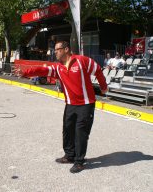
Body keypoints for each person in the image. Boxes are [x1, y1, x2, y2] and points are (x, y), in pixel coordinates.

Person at [20, 41, 108, 173]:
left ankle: (79, 162)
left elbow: (98, 70)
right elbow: (43, 70)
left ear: (66, 49)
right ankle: (69, 156)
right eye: (54, 50)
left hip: (86, 104)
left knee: (80, 133)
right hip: (70, 105)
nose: (54, 52)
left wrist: (103, 87)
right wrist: (26, 72)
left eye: (57, 49)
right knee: (67, 131)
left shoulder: (82, 61)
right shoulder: (58, 67)